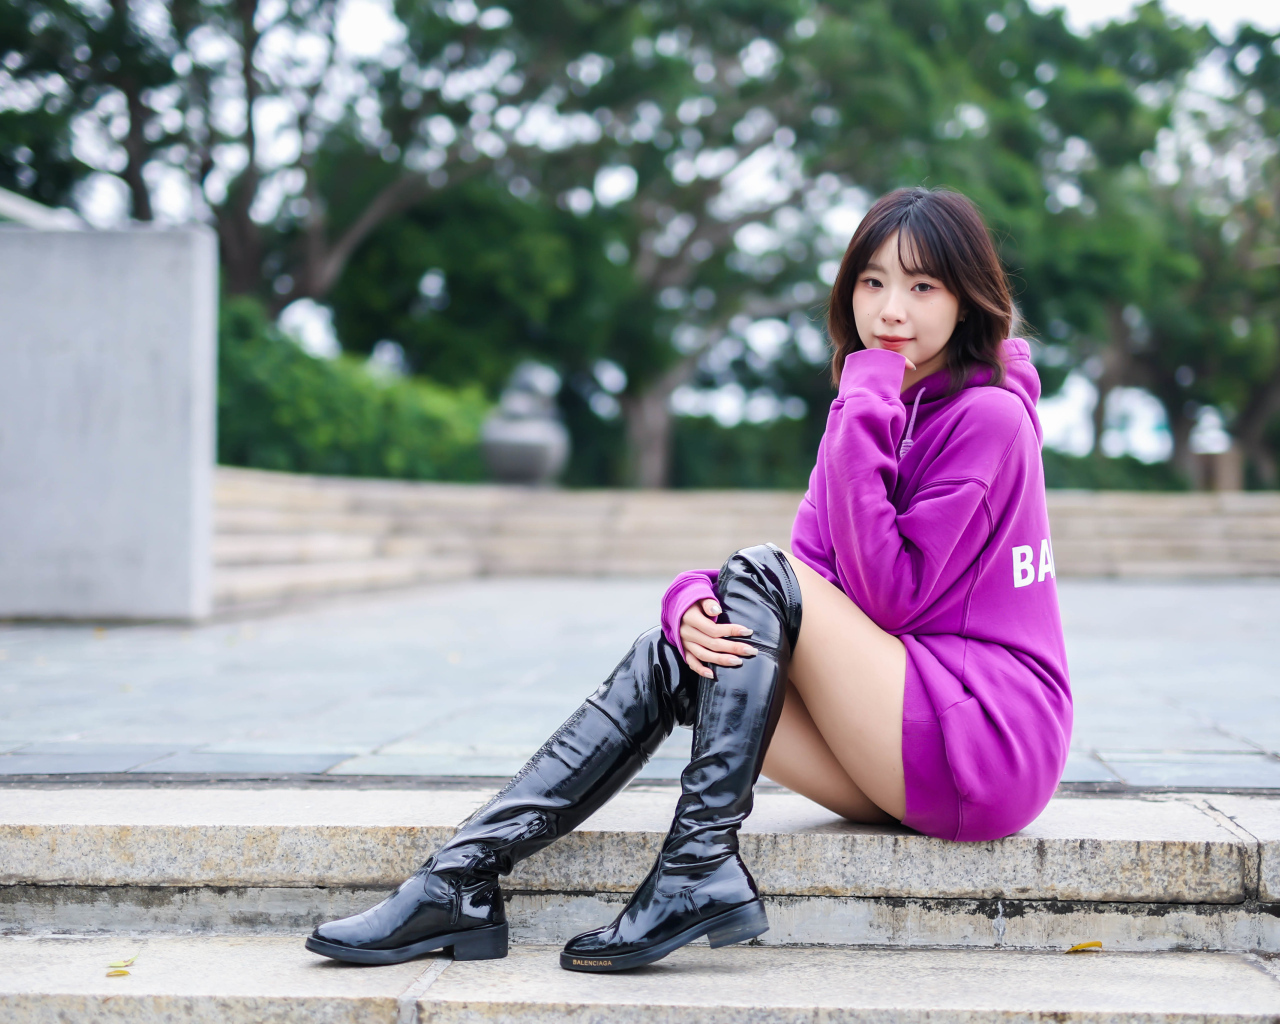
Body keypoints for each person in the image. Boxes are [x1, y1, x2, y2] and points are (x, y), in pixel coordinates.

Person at [304, 186, 1071, 974]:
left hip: (986, 742)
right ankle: (461, 878)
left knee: (759, 578)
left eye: (922, 286)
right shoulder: (868, 410)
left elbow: (886, 598)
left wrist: (863, 400)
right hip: (904, 738)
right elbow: (807, 577)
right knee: (685, 650)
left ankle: (696, 863)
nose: (891, 309)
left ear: (966, 299)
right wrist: (686, 601)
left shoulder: (989, 419)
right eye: (872, 281)